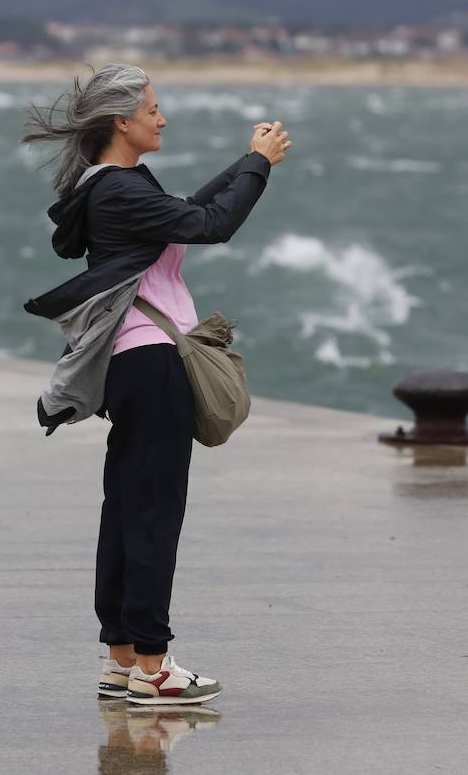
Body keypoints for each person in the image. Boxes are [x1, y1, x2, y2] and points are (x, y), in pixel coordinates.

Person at [21, 64, 291, 705]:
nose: (161, 118)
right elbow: (215, 225)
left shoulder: (114, 187)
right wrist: (260, 164)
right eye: (152, 109)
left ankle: (122, 659)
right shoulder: (116, 190)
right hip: (151, 363)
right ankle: (152, 664)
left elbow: (193, 211)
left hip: (132, 364)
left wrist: (246, 162)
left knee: (128, 508)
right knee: (153, 513)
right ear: (122, 122)